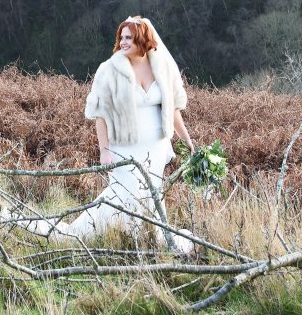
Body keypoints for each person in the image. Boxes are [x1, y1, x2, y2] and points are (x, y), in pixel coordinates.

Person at [15, 16, 195, 252]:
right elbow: (100, 114)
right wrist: (104, 150)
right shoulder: (110, 70)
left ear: (143, 38)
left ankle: (142, 240)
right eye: (121, 37)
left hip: (156, 148)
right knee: (123, 194)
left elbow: (173, 111)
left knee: (150, 196)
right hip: (124, 148)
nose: (123, 42)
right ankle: (81, 234)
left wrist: (188, 141)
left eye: (129, 37)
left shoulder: (161, 67)